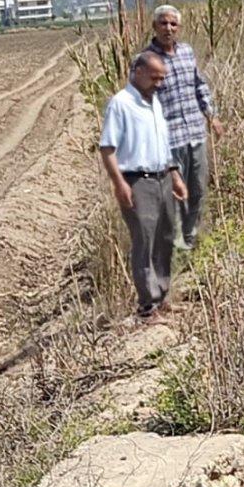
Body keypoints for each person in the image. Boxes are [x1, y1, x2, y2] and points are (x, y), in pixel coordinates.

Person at [100, 53, 188, 321]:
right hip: (137, 181)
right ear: (136, 71)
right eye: (154, 77)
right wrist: (119, 184)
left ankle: (161, 297)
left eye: (162, 79)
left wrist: (175, 177)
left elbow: (162, 146)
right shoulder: (121, 104)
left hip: (162, 178)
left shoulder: (155, 104)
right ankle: (147, 307)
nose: (159, 84)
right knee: (145, 241)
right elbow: (107, 149)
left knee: (165, 239)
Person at [144, 5, 223, 249]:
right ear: (155, 27)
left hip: (195, 135)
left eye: (173, 24)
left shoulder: (187, 53)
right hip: (169, 141)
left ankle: (190, 238)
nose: (168, 28)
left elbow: (199, 85)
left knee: (198, 189)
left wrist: (212, 116)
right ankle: (173, 243)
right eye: (163, 23)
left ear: (179, 28)